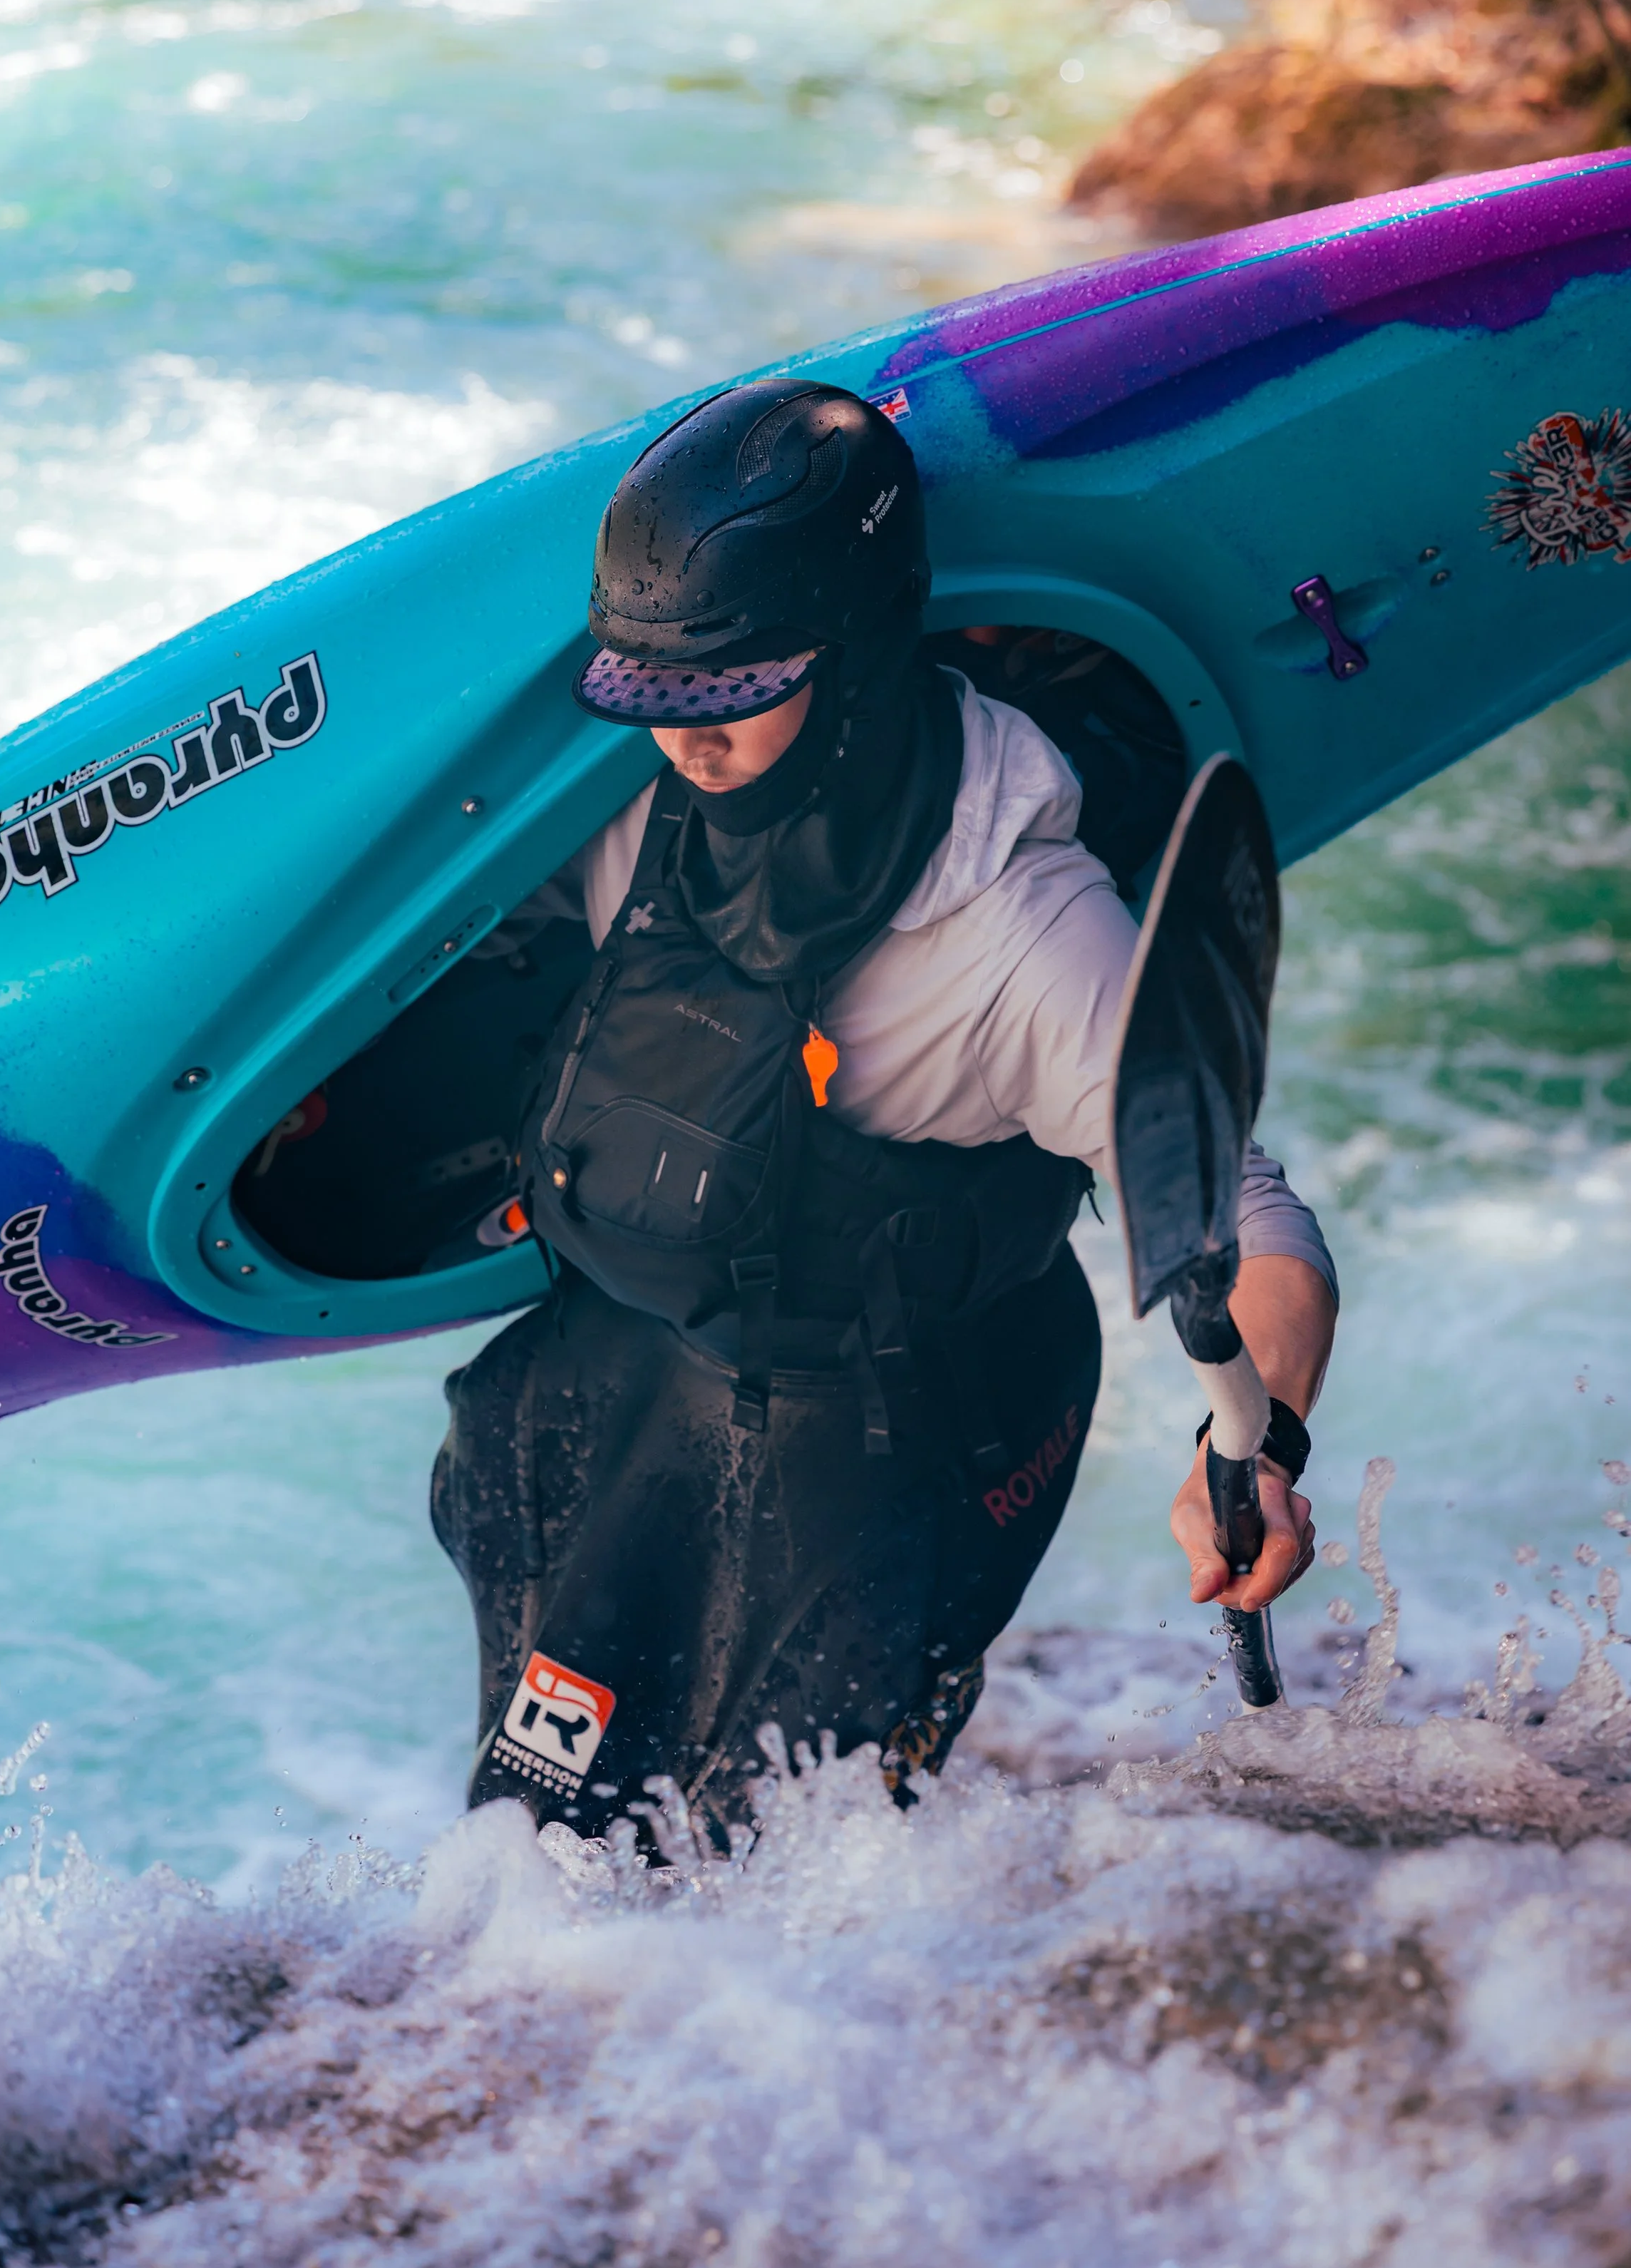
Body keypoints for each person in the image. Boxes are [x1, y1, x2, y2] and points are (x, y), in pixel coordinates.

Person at [431, 379, 1337, 1844]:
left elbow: (1252, 1215)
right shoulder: (616, 796)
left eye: (728, 697)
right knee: (529, 1855)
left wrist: (1260, 1443)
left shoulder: (1022, 928)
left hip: (897, 1429)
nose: (685, 746)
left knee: (761, 1885)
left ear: (850, 658)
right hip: (630, 1364)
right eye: (653, 699)